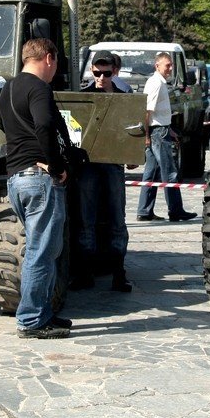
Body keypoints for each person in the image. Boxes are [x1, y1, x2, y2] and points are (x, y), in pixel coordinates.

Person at [0, 38, 74, 338]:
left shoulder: (8, 88)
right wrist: (55, 165)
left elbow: (3, 125)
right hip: (39, 179)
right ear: (49, 58)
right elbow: (43, 124)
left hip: (16, 178)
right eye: (56, 63)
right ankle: (31, 320)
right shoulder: (39, 88)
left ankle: (43, 313)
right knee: (41, 252)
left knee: (44, 249)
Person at [72, 52, 132, 292]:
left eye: (106, 74)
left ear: (113, 73)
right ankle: (85, 272)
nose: (101, 78)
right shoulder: (84, 97)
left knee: (117, 218)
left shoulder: (123, 98)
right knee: (86, 219)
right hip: (88, 165)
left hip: (113, 164)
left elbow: (130, 129)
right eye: (97, 73)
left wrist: (131, 154)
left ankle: (119, 272)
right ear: (92, 71)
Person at [137, 52, 198, 223]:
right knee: (170, 172)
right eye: (167, 65)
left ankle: (144, 210)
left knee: (151, 173)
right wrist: (147, 136)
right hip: (157, 133)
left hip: (160, 130)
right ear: (157, 66)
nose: (170, 68)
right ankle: (176, 210)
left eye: (171, 65)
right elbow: (147, 111)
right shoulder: (156, 83)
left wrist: (168, 129)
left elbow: (157, 113)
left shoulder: (159, 82)